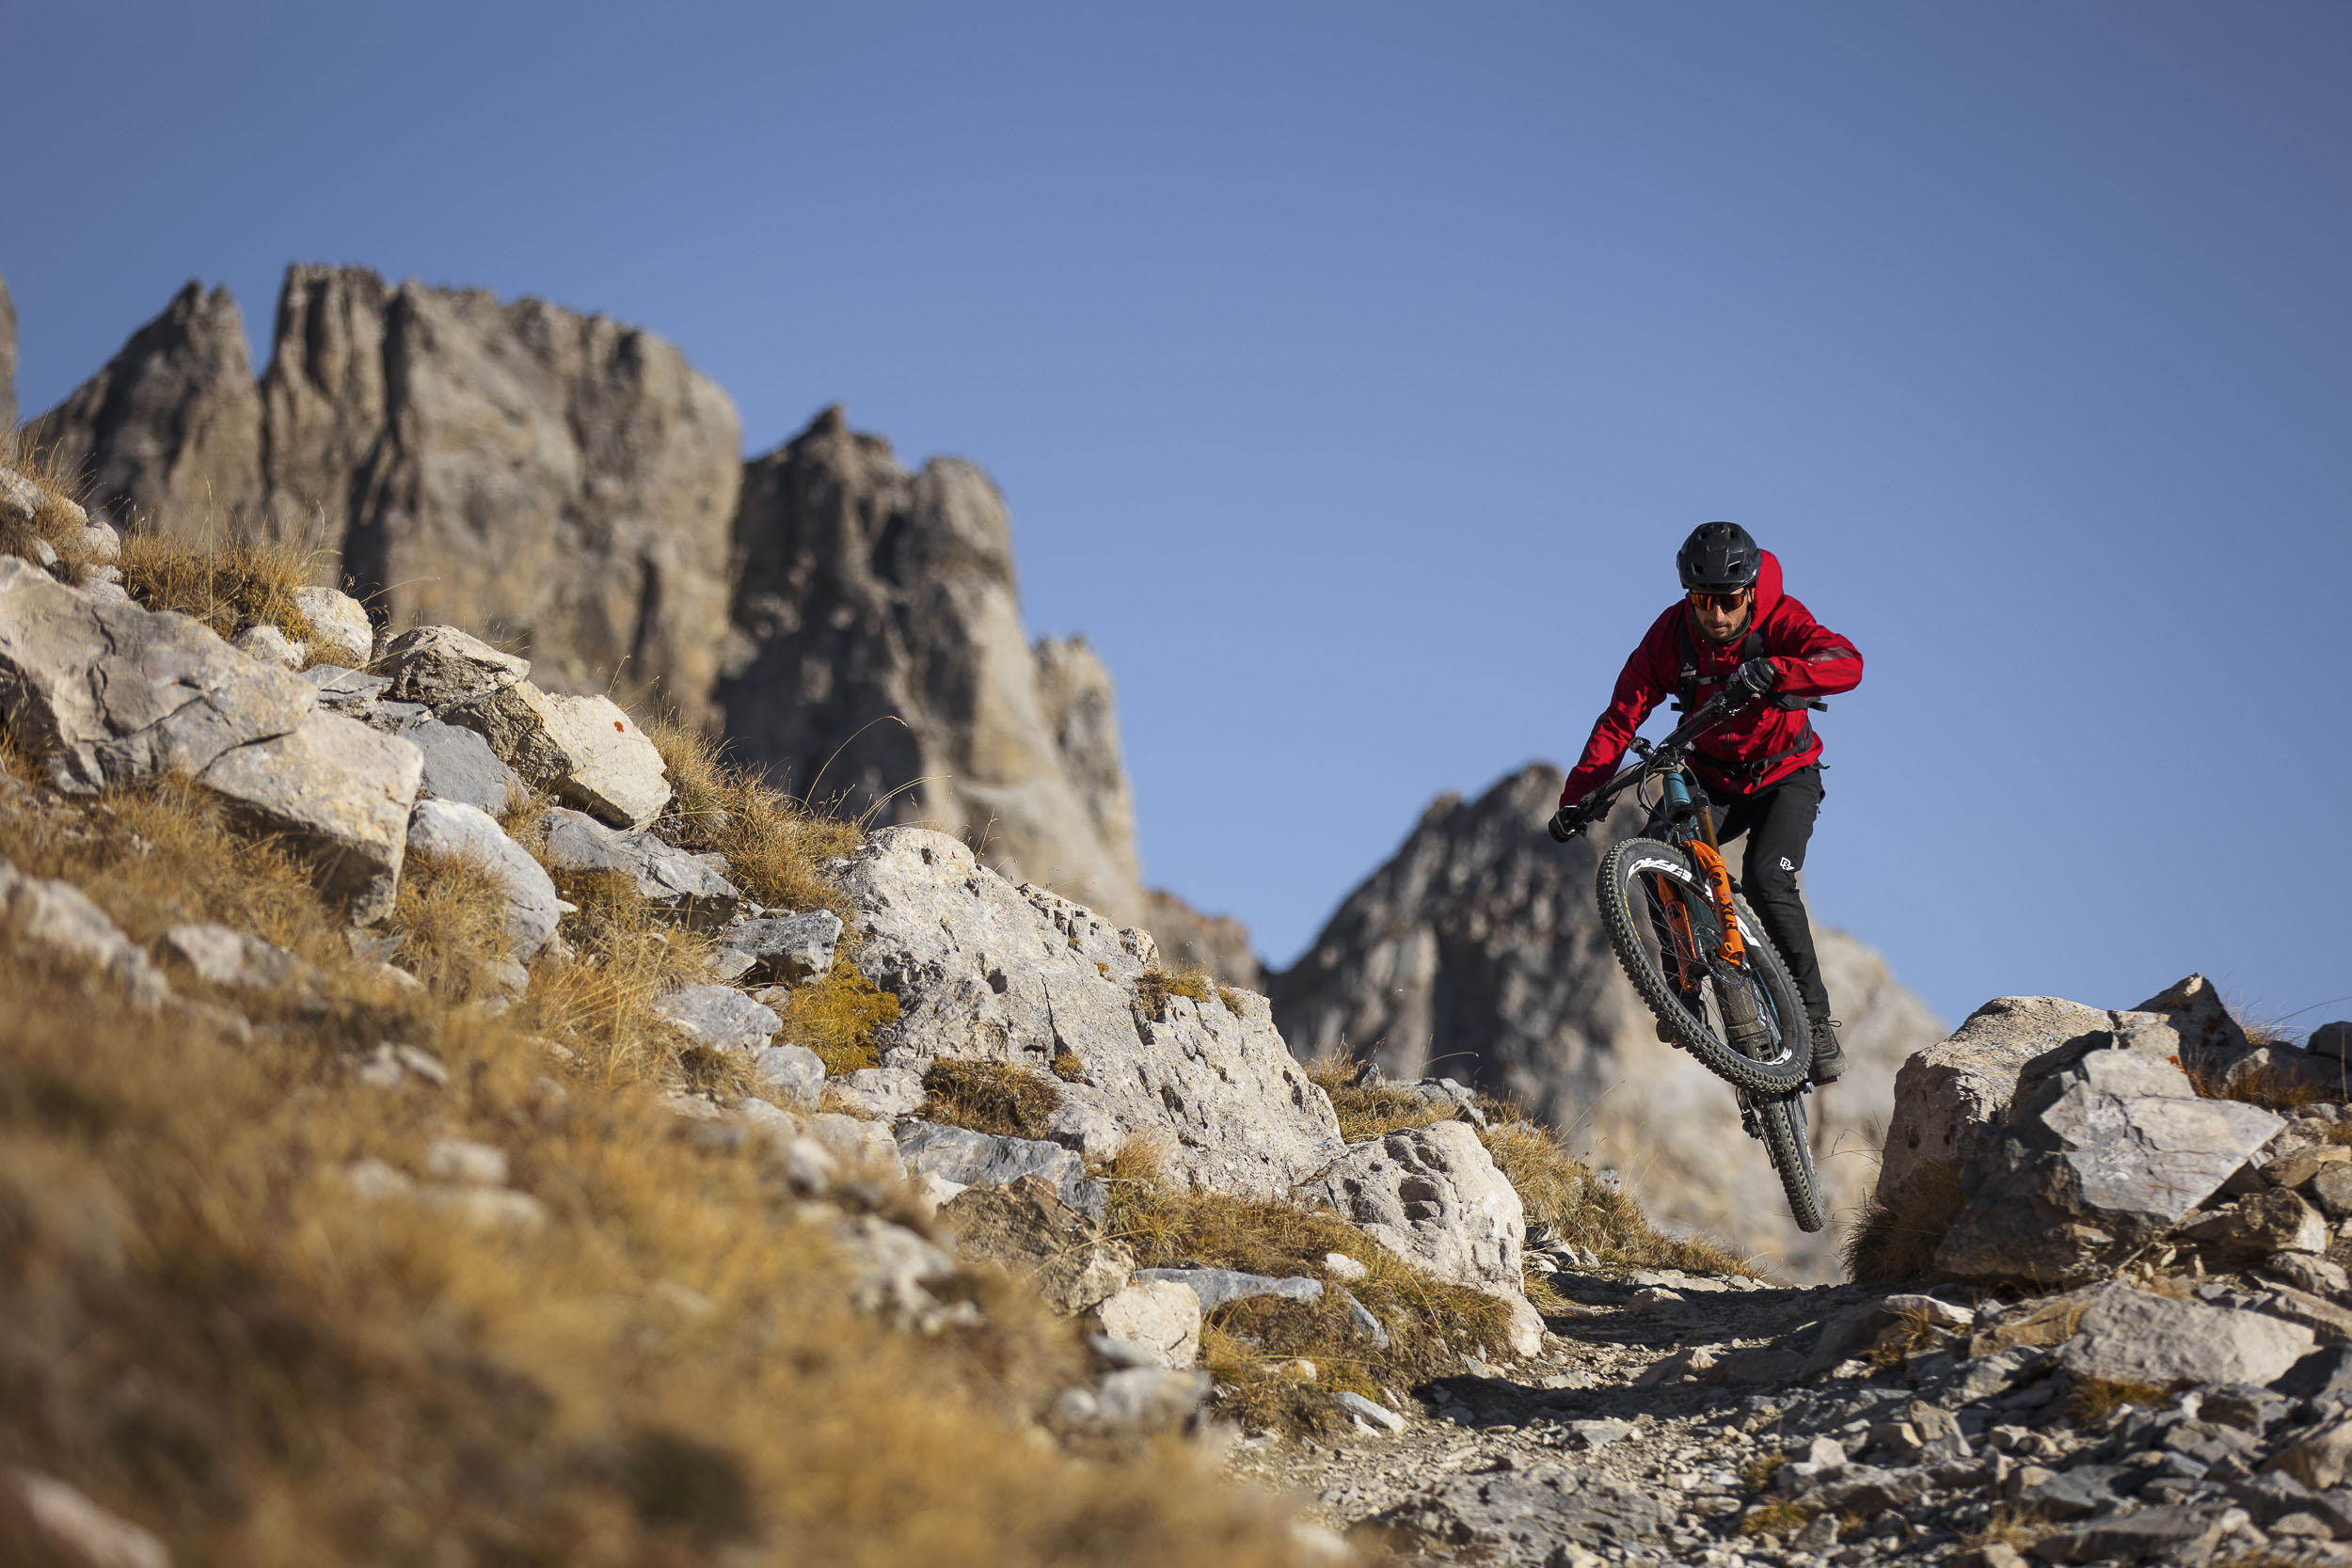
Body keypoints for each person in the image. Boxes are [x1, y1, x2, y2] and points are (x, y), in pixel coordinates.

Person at [1549, 521, 1863, 1085]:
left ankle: (1815, 1024)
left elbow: (1847, 663)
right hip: (1714, 778)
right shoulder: (1669, 637)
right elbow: (1621, 717)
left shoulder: (1781, 618)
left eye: (1728, 601)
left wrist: (1780, 671)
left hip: (1784, 775)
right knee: (1656, 848)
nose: (1715, 615)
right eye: (1701, 600)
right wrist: (1578, 798)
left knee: (1769, 878)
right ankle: (1682, 992)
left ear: (1749, 591)